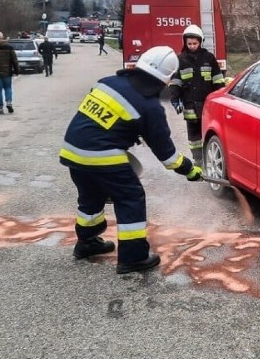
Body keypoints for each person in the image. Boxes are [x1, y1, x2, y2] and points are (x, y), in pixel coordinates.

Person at [59, 46, 204, 275]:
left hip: (73, 150)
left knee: (91, 196)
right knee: (130, 197)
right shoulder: (149, 107)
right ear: (165, 79)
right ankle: (133, 257)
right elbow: (167, 156)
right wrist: (190, 170)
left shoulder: (106, 82)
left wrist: (127, 132)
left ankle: (86, 243)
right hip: (103, 155)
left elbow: (102, 121)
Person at [168, 25, 225, 166]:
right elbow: (175, 82)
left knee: (209, 131)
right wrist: (174, 99)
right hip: (190, 104)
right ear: (185, 43)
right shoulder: (180, 59)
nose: (192, 46)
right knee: (194, 136)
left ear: (200, 42)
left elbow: (218, 80)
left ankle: (210, 157)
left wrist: (221, 98)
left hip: (207, 104)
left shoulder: (209, 58)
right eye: (189, 44)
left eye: (195, 43)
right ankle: (198, 160)